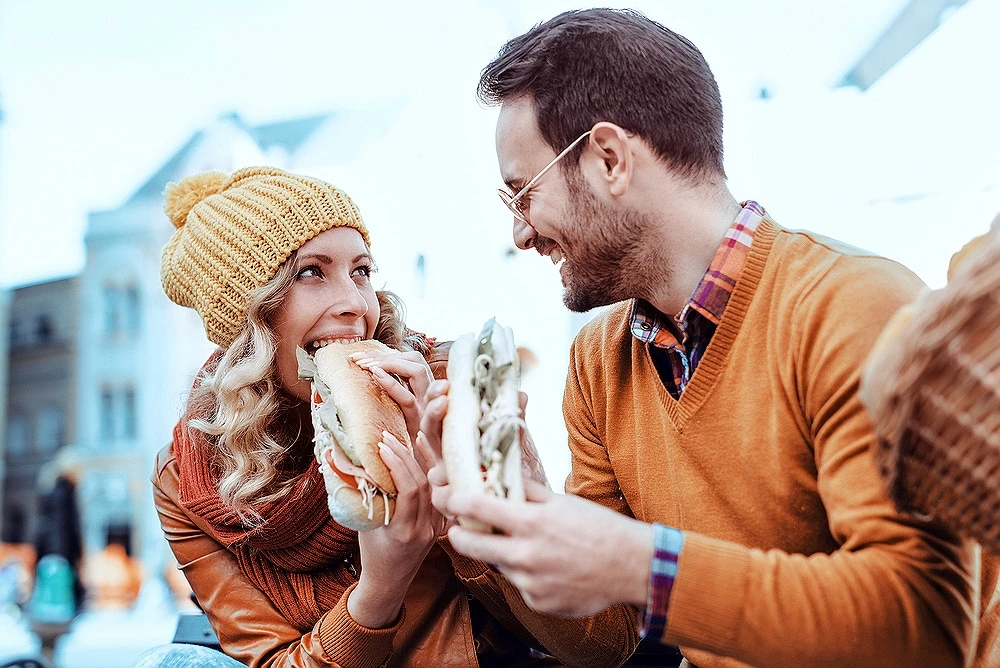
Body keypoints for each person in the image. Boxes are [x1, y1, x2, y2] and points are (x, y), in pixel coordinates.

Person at [419, 8, 1000, 667]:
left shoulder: (854, 306)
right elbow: (609, 639)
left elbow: (923, 630)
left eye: (525, 193)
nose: (521, 233)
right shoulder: (599, 359)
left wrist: (646, 566)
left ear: (609, 159)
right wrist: (501, 526)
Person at [136, 166, 638, 668]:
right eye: (311, 272)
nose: (357, 304)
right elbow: (270, 659)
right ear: (249, 318)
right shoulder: (187, 478)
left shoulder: (448, 383)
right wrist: (381, 586)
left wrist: (461, 503)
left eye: (361, 271)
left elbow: (601, 647)